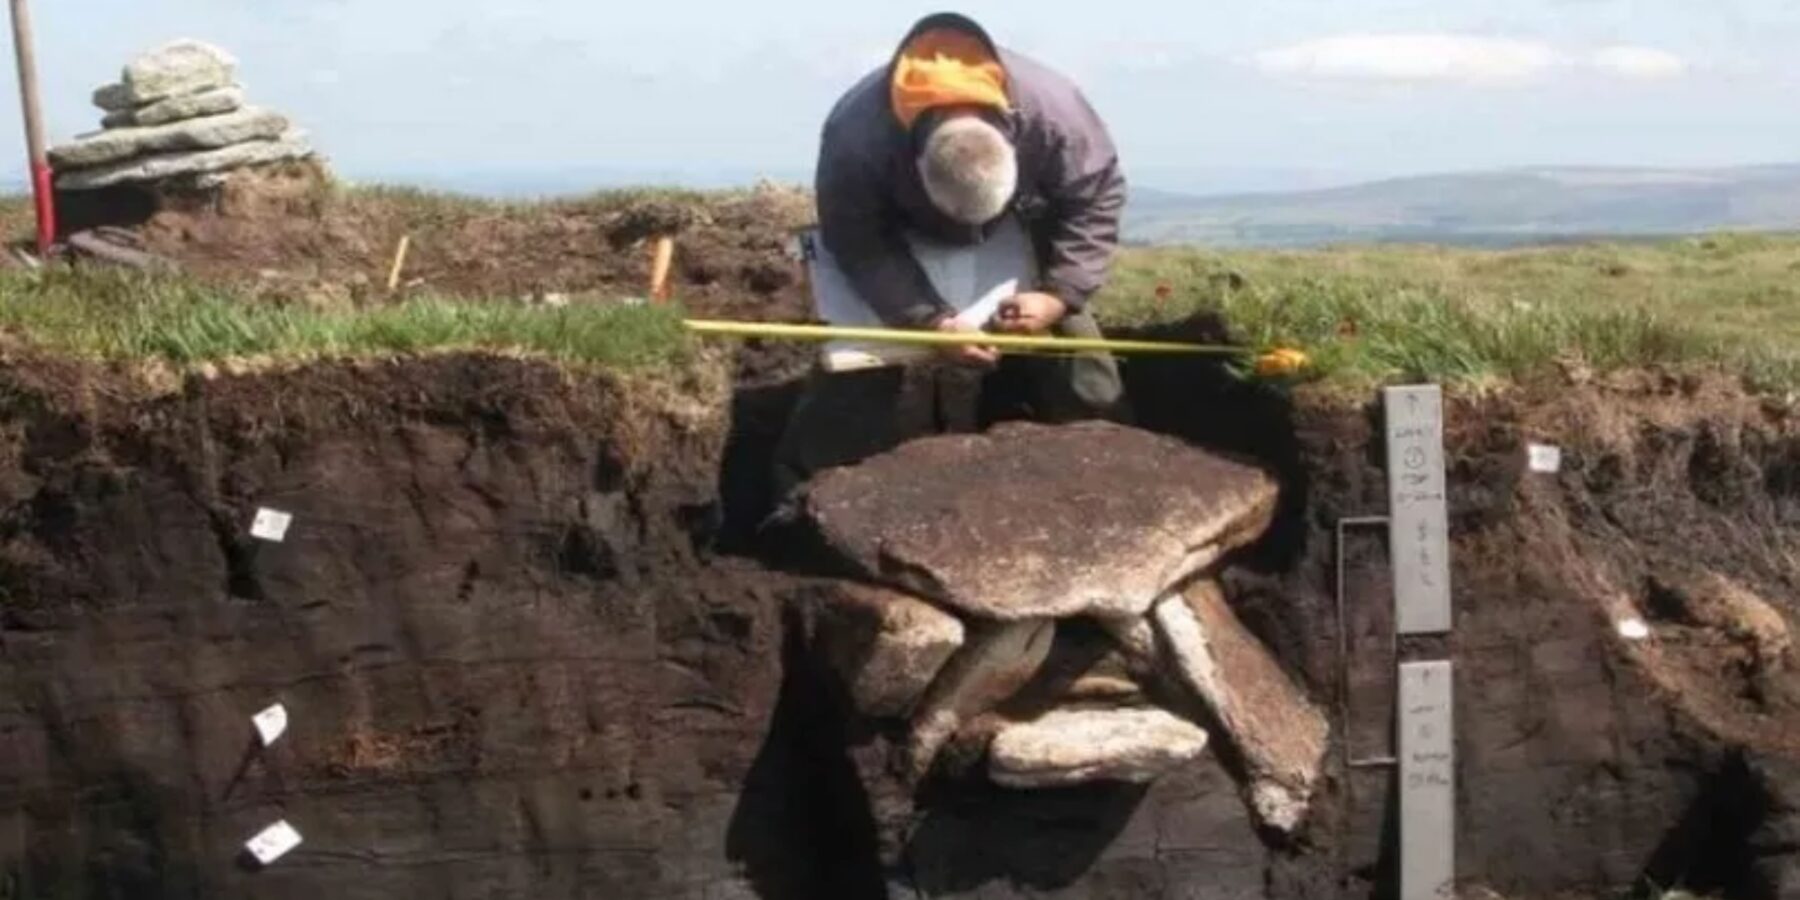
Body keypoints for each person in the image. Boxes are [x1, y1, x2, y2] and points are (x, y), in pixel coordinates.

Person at [772, 11, 1130, 497]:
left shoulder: (1053, 113)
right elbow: (858, 240)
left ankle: (1111, 475)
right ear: (916, 165)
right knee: (857, 369)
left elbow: (1095, 196)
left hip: (1022, 225)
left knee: (1080, 365)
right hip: (893, 235)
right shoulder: (857, 138)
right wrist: (928, 320)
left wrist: (1059, 294)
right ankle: (798, 502)